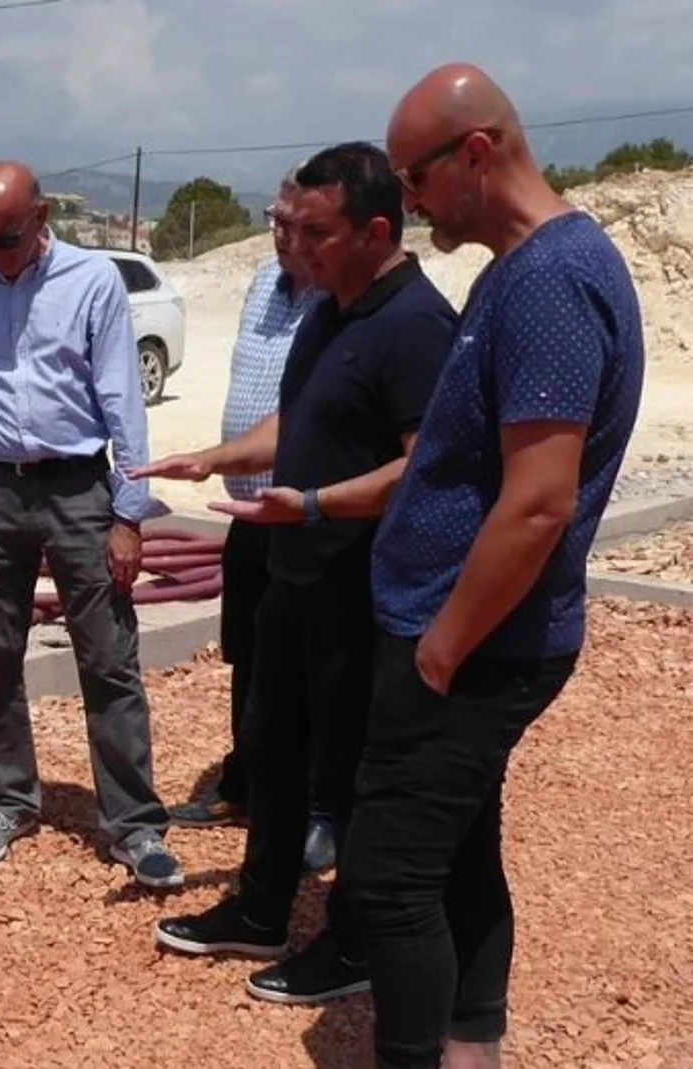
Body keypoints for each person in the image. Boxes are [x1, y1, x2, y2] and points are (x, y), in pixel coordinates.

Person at [349, 64, 644, 1069]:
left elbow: (536, 502)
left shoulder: (551, 283)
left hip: (475, 643)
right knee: (457, 850)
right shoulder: (517, 270)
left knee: (388, 878)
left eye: (412, 178)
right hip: (469, 633)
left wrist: (440, 647)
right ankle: (471, 1045)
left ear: (474, 153)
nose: (407, 202)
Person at [137, 142, 456, 1005]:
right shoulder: (330, 308)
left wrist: (313, 506)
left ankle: (354, 943)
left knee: (350, 774)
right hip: (294, 572)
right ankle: (264, 906)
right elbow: (298, 419)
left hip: (362, 588)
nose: (295, 247)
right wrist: (215, 457)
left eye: (313, 231)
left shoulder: (418, 326)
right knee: (271, 749)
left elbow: (420, 467)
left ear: (375, 229)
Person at [0, 160, 181, 888]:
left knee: (108, 657)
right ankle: (5, 797)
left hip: (78, 487)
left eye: (4, 237)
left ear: (41, 219)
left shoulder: (91, 283)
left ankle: (133, 823)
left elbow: (125, 402)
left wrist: (128, 513)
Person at [168, 167, 325, 840]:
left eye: (294, 225)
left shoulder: (340, 299)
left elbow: (309, 415)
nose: (279, 235)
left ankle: (318, 805)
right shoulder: (263, 284)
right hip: (248, 520)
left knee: (312, 669)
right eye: (274, 219)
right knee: (249, 659)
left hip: (309, 518)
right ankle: (247, 784)